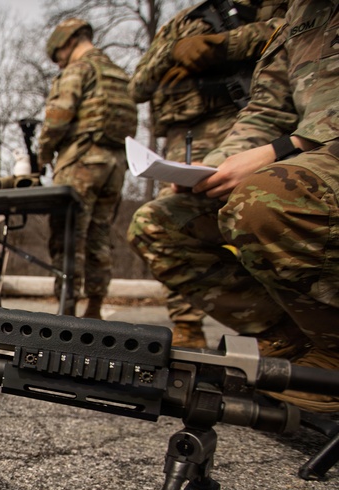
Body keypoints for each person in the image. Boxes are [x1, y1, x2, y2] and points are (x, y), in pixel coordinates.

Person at [133, 0, 338, 412]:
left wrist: (286, 148)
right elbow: (266, 110)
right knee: (158, 221)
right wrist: (213, 168)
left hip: (318, 149)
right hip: (300, 151)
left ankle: (334, 355)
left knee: (259, 201)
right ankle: (293, 341)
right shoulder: (300, 13)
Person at [126, 0, 284, 348]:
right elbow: (138, 85)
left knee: (254, 215)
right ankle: (189, 326)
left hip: (253, 124)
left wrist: (226, 47)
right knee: (171, 217)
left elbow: (290, 32)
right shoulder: (184, 22)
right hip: (189, 134)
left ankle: (296, 327)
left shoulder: (266, 8)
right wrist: (174, 52)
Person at [37, 19, 138, 319]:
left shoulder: (79, 70)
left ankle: (66, 309)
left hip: (81, 161)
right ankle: (94, 307)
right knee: (99, 234)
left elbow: (58, 116)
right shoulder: (119, 74)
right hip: (116, 164)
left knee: (69, 234)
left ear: (67, 42)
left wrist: (43, 153)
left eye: (58, 56)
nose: (59, 64)